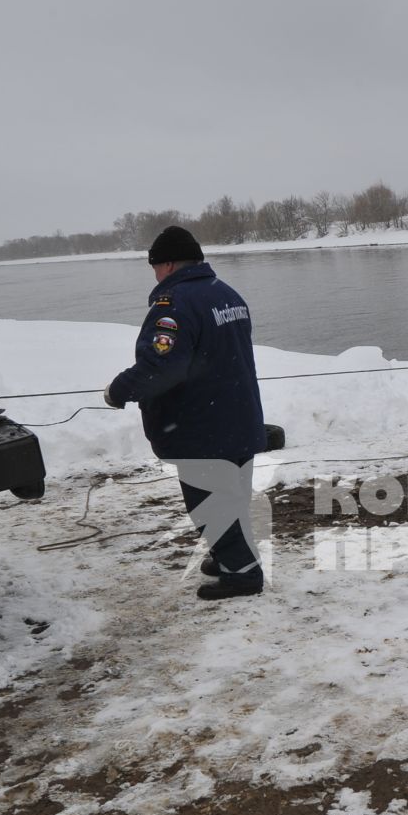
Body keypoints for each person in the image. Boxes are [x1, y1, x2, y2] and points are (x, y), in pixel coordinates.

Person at [106, 226, 267, 599]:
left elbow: (162, 365)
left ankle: (242, 576)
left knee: (211, 502)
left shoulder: (175, 303)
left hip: (201, 424)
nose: (156, 275)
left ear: (169, 263)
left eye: (156, 267)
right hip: (237, 415)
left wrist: (118, 390)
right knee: (233, 495)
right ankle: (229, 558)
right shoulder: (227, 294)